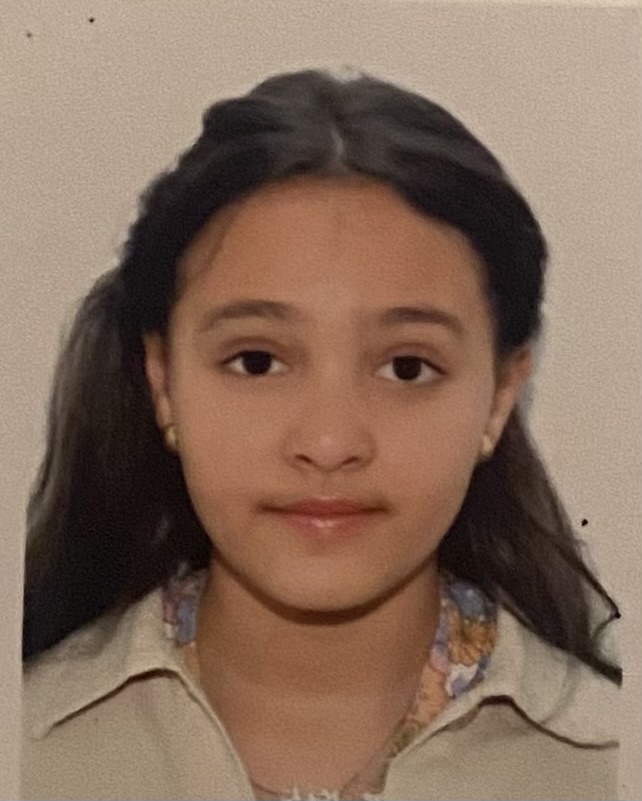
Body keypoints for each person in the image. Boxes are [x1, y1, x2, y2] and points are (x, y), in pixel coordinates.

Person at [21, 67, 621, 801]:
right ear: (163, 382)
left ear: (499, 395)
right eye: (257, 360)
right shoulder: (31, 746)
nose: (330, 442)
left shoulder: (606, 762)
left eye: (406, 367)